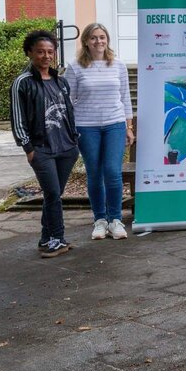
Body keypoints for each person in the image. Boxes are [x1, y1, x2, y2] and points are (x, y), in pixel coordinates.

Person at [11, 30, 79, 258]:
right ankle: (57, 239)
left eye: (50, 52)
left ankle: (45, 238)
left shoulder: (61, 81)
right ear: (30, 52)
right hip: (42, 149)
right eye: (40, 52)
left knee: (54, 194)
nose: (46, 56)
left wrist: (75, 139)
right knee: (52, 194)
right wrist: (28, 149)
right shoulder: (22, 83)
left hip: (66, 148)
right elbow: (18, 118)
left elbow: (69, 112)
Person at [65, 23, 134, 241]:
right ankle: (100, 220)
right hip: (86, 126)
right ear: (85, 41)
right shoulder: (75, 67)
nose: (98, 41)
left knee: (113, 172)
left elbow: (125, 98)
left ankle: (115, 220)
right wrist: (70, 129)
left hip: (114, 124)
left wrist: (129, 127)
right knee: (94, 173)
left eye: (102, 37)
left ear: (107, 40)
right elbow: (68, 102)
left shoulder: (118, 65)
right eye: (93, 38)